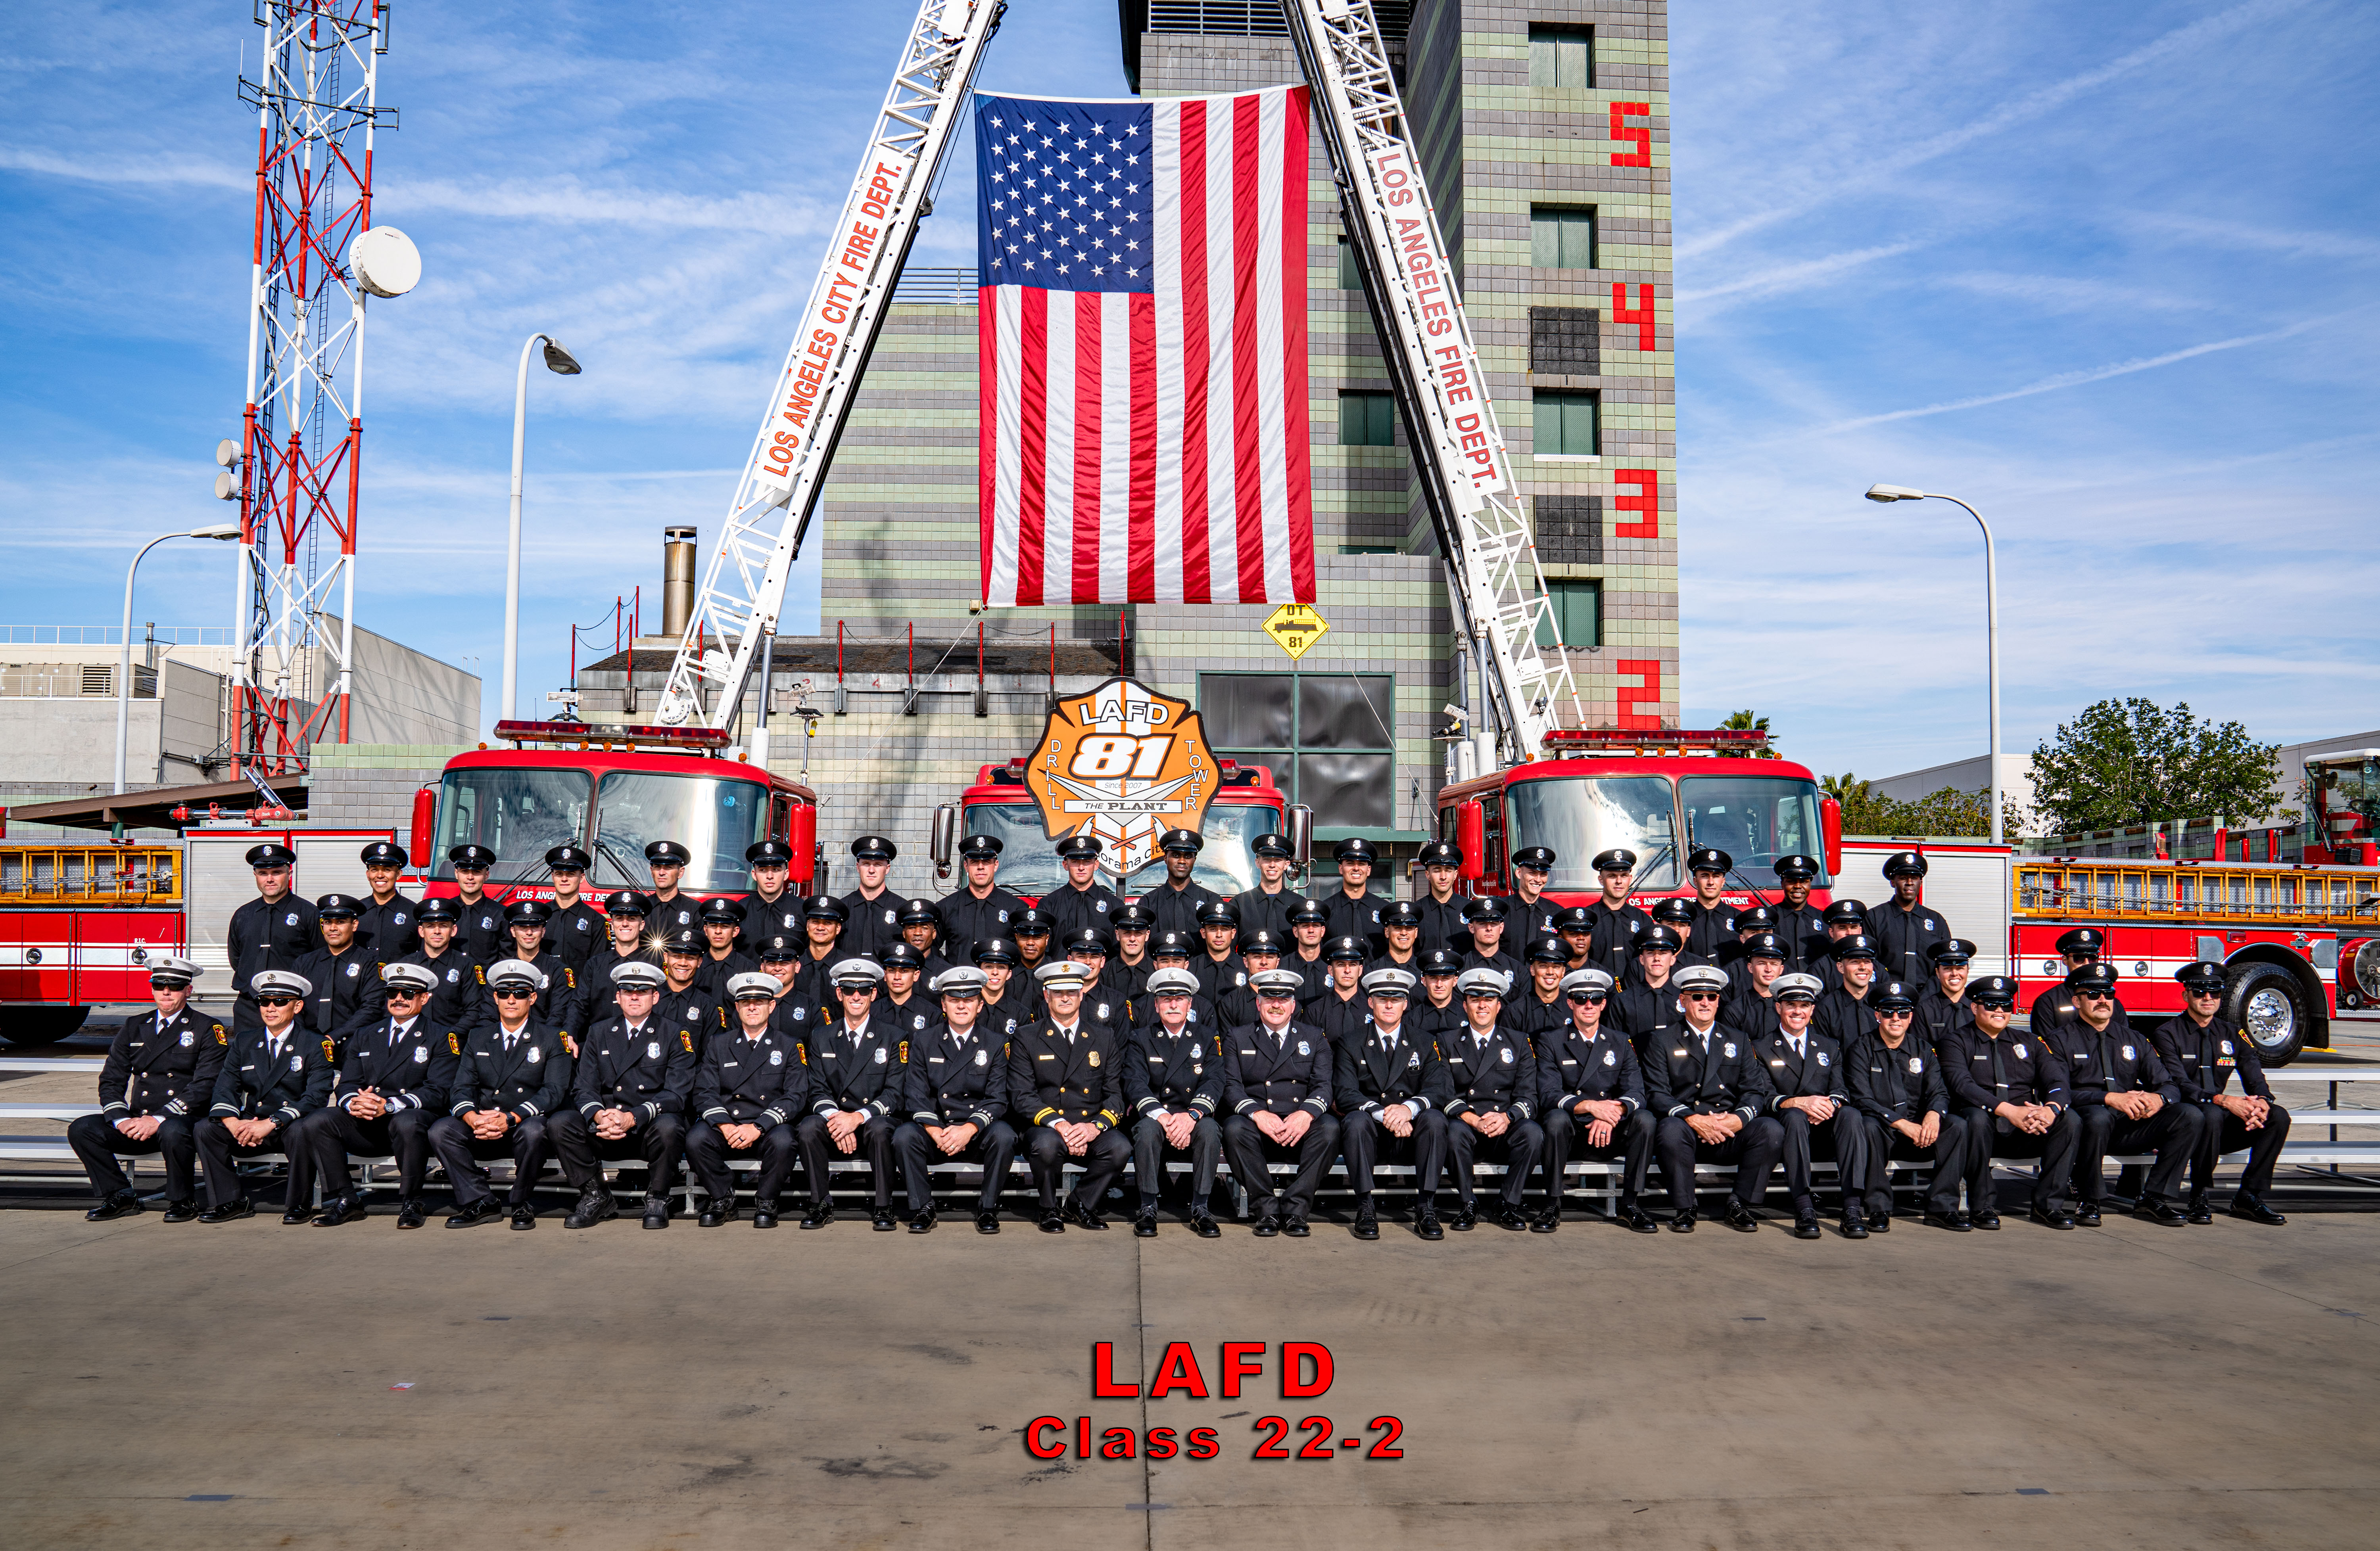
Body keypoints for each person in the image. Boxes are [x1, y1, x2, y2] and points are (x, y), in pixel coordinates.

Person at [293, 961, 460, 1229]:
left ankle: (412, 1201)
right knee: (318, 1120)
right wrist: (353, 1102)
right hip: (367, 1120)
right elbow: (347, 1082)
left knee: (407, 1121)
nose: (399, 999)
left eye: (408, 994)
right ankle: (347, 1199)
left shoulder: (441, 1036)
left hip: (408, 1123)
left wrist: (392, 1104)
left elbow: (440, 1089)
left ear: (425, 997)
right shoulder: (367, 1034)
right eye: (392, 993)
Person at [71, 953, 227, 1222]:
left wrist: (157, 1118)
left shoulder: (207, 1028)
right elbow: (111, 1079)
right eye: (159, 985)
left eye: (175, 986)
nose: (166, 992)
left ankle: (182, 1200)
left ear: (188, 990)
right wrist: (120, 1119)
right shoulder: (134, 1026)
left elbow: (205, 1084)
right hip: (137, 1120)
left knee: (173, 1129)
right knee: (82, 1128)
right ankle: (120, 1194)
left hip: (184, 1118)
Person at [2046, 963, 2200, 1227]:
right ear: (2077, 1000)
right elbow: (2058, 1092)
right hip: (2087, 1128)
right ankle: (2089, 1199)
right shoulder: (2059, 1040)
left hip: (2131, 1124)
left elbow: (2169, 1084)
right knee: (2098, 1116)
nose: (2103, 999)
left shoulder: (2135, 1039)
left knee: (2189, 1115)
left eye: (2108, 993)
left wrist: (2158, 1099)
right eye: (2093, 994)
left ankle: (2153, 1197)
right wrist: (2108, 1098)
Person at [551, 959, 695, 1231]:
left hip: (646, 1130)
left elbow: (677, 1094)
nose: (634, 997)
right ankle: (596, 1195)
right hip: (605, 1128)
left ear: (655, 996)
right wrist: (599, 1114)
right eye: (628, 991)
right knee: (561, 1123)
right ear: (618, 997)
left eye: (642, 992)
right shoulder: (599, 1031)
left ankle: (658, 1198)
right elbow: (584, 1086)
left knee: (671, 1126)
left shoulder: (674, 1033)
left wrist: (633, 1116)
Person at [430, 958, 572, 1230]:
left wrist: (510, 1118)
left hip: (522, 1123)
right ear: (495, 997)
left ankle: (521, 1202)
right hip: (483, 1122)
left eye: (519, 993)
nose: (511, 999)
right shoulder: (478, 1037)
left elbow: (553, 1091)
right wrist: (472, 1118)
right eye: (504, 993)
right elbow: (462, 1087)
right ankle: (481, 1200)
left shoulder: (552, 1037)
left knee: (535, 1131)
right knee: (441, 1131)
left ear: (532, 997)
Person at [2150, 961, 2292, 1225]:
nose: (2208, 998)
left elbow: (2254, 1074)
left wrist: (2262, 1101)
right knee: (2212, 1113)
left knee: (2278, 1117)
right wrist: (2222, 1100)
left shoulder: (2232, 1034)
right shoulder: (2167, 1034)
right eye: (2200, 991)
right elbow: (2179, 1083)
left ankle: (2249, 1196)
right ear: (2185, 995)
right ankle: (2198, 1195)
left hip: (2215, 1126)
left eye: (2214, 992)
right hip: (2182, 1123)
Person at [1937, 974, 2076, 1230]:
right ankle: (1982, 1205)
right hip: (1985, 1127)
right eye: (1991, 1005)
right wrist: (2008, 1111)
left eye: (2006, 1005)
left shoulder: (2030, 1042)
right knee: (1975, 1118)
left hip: (2028, 1127)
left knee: (2070, 1119)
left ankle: (2049, 1205)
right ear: (1974, 1007)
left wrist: (2050, 1109)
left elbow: (2057, 1081)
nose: (1999, 1010)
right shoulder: (1955, 1041)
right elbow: (1962, 1085)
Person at [1644, 978, 1783, 1233]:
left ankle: (1739, 1204)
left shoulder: (1738, 1039)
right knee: (1670, 1130)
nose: (1705, 1003)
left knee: (1770, 1130)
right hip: (1689, 1130)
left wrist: (1739, 1118)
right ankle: (1686, 1207)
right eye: (1697, 997)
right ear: (1683, 1001)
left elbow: (1754, 1090)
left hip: (1728, 1128)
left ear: (1719, 1001)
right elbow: (1657, 1093)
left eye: (1712, 997)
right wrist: (1692, 1119)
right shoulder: (1662, 1039)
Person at [196, 967, 334, 1223]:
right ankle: (230, 1201)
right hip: (251, 1123)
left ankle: (298, 1204)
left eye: (280, 1002)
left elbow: (317, 1095)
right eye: (264, 1001)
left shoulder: (315, 1044)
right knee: (206, 1129)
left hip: (287, 1125)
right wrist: (234, 1123)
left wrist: (271, 1123)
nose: (271, 1008)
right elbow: (226, 1086)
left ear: (298, 1006)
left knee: (302, 1131)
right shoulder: (245, 1041)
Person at [1010, 959, 1132, 1232]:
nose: (1065, 998)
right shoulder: (1027, 1036)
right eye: (1058, 992)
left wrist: (1093, 1127)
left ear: (1082, 994)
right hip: (1048, 1126)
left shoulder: (1104, 1036)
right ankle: (1048, 1207)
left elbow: (1115, 1095)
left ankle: (1081, 1204)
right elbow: (1022, 1095)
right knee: (1046, 1147)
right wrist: (1060, 1125)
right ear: (1046, 995)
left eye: (1072, 991)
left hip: (1089, 1124)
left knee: (1120, 1147)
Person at [1843, 978, 1974, 1232]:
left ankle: (1942, 1207)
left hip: (1920, 1133)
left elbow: (1939, 1090)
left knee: (1957, 1126)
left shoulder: (1923, 1049)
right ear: (1877, 1015)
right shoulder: (1860, 1049)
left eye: (1902, 1013)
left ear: (1911, 1017)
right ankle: (1879, 1209)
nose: (1895, 1018)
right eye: (1888, 1012)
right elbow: (1861, 1099)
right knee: (1868, 1125)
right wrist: (1903, 1124)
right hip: (1885, 1128)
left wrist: (1934, 1116)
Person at [1534, 966, 1658, 1234]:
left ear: (1604, 1004)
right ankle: (1552, 1202)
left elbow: (1637, 1091)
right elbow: (1548, 1093)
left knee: (1645, 1119)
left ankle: (1630, 1203)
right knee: (1554, 1119)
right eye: (1581, 999)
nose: (1588, 1005)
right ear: (1570, 1003)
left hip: (1610, 1132)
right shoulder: (1551, 1041)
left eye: (1595, 999)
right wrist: (1591, 1107)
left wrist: (1614, 1112)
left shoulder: (1620, 1041)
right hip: (1574, 1134)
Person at [894, 964, 1017, 1234]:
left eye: (969, 999)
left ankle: (988, 1207)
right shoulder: (924, 1040)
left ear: (980, 1004)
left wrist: (969, 1129)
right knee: (904, 1136)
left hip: (975, 1131)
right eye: (954, 1000)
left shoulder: (995, 1043)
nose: (962, 1006)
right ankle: (923, 1207)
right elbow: (914, 1093)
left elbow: (997, 1098)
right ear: (943, 1003)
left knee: (1005, 1135)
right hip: (937, 1129)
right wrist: (935, 1130)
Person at [684, 971, 811, 1229]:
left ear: (772, 1005)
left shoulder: (789, 1045)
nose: (752, 1007)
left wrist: (758, 1126)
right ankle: (723, 1199)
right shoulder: (719, 1044)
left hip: (768, 1125)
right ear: (737, 1007)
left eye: (760, 1001)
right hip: (728, 1124)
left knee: (785, 1141)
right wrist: (725, 1125)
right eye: (745, 1002)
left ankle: (766, 1201)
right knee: (696, 1139)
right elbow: (705, 1091)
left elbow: (796, 1094)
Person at [1331, 966, 1450, 1240]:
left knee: (1435, 1119)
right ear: (1370, 1002)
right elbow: (1345, 1092)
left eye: (1395, 999)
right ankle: (1365, 1206)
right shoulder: (1351, 1042)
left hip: (1410, 1137)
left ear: (1406, 1003)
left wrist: (1408, 1109)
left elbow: (1437, 1089)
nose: (1388, 1004)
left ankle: (1426, 1205)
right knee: (1355, 1120)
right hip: (1372, 1134)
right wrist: (1386, 1114)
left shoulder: (1424, 1041)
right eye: (1382, 998)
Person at [1221, 967, 1341, 1238]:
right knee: (1234, 1129)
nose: (1277, 1004)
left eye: (1284, 998)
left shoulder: (1313, 1037)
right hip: (1258, 1126)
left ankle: (1296, 1208)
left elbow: (1323, 1085)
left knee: (1331, 1129)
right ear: (1258, 1002)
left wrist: (1307, 1114)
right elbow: (1231, 1086)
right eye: (1270, 998)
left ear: (1293, 1004)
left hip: (1299, 1124)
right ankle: (1266, 1209)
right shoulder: (1238, 1037)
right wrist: (1257, 1113)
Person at [1754, 970, 1869, 1240]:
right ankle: (1804, 1207)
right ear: (1778, 1007)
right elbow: (1761, 1094)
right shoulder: (1761, 1046)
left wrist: (1829, 1105)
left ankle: (1852, 1207)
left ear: (1812, 1009)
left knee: (1851, 1114)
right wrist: (1798, 1103)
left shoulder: (1829, 1046)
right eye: (1791, 1004)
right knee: (1794, 1116)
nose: (1797, 1011)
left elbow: (1841, 1089)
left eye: (1804, 1005)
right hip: (1788, 1127)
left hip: (1824, 1125)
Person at [796, 957, 907, 1230]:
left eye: (863, 990)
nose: (855, 996)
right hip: (836, 1118)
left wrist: (857, 1117)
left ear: (874, 993)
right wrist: (838, 1120)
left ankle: (884, 1206)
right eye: (848, 990)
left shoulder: (894, 1036)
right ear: (839, 993)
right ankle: (821, 1202)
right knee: (809, 1127)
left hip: (872, 1119)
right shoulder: (821, 1036)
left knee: (882, 1128)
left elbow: (895, 1092)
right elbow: (817, 1088)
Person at [1121, 965, 1226, 1238]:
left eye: (1179, 999)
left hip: (1192, 1116)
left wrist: (1191, 1116)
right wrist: (1164, 1117)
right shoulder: (1141, 1038)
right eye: (1166, 999)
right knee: (1145, 1130)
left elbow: (1215, 1081)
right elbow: (1134, 1082)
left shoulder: (1206, 1037)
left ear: (1190, 1003)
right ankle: (1147, 1205)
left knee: (1211, 1131)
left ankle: (1201, 1206)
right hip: (1158, 1117)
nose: (1173, 1005)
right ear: (1156, 1005)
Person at [1435, 967, 1542, 1234]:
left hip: (1504, 1124)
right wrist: (1471, 1117)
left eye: (1489, 999)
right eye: (1475, 998)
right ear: (1465, 1004)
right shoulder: (1447, 1041)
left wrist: (1507, 1117)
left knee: (1533, 1133)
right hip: (1468, 1122)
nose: (1482, 1005)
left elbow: (1529, 1095)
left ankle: (1507, 1203)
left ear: (1499, 1005)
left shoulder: (1518, 1042)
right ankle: (1468, 1203)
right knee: (1453, 1132)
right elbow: (1443, 1091)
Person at [355, 895, 487, 1042]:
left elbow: (474, 1011)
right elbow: (391, 1007)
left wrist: (447, 1037)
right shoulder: (405, 966)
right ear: (421, 931)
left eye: (443, 926)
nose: (437, 931)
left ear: (453, 930)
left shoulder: (467, 966)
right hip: (407, 1041)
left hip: (450, 1042)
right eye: (430, 926)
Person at [228, 842, 317, 1033]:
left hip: (292, 1007)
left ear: (289, 875)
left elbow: (319, 959)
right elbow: (237, 959)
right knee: (248, 1060)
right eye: (263, 873)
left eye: (277, 873)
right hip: (250, 1007)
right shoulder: (243, 915)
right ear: (256, 876)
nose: (270, 879)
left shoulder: (309, 914)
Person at [480, 899, 584, 1035]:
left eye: (535, 927)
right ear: (513, 931)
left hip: (543, 1043)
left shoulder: (558, 971)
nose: (529, 933)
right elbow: (488, 1017)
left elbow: (558, 1017)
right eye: (523, 927)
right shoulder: (499, 971)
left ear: (543, 931)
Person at [297, 893, 374, 1059]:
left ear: (354, 925)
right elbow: (293, 1005)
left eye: (340, 922)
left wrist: (335, 1037)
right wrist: (304, 1037)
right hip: (308, 1044)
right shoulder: (304, 962)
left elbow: (371, 1008)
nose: (333, 928)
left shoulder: (370, 963)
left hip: (351, 1044)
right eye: (328, 922)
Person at [1865, 851, 1950, 986]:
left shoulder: (1936, 920)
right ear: (1893, 883)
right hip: (1887, 995)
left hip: (1928, 997)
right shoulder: (1875, 917)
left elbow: (1945, 962)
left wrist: (1929, 996)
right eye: (1903, 878)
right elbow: (1868, 961)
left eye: (1915, 878)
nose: (1910, 883)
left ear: (1921, 883)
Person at [580, 891, 662, 1031]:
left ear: (642, 925)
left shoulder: (655, 964)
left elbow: (662, 1007)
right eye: (619, 918)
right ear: (612, 924)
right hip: (599, 1041)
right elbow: (579, 1005)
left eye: (631, 919)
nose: (625, 924)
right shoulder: (595, 965)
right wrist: (570, 1034)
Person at [937, 833, 1025, 953]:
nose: (980, 867)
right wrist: (946, 969)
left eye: (987, 861)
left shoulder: (1016, 908)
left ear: (996, 866)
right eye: (974, 862)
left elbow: (1024, 954)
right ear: (966, 866)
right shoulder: (946, 908)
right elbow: (929, 950)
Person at [1612, 925, 1688, 1053]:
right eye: (1651, 953)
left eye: (1663, 953)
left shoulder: (1686, 998)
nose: (1657, 958)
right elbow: (1616, 1045)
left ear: (1673, 960)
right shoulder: (1623, 1001)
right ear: (1641, 959)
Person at [2029, 929, 2119, 1032]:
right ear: (2065, 960)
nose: (2086, 963)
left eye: (2092, 958)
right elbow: (2046, 1045)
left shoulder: (2111, 1003)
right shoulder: (2048, 1002)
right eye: (2079, 958)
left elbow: (2123, 1040)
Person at [1580, 849, 1651, 978]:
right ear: (1601, 880)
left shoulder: (1643, 920)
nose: (1619, 881)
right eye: (1612, 876)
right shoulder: (1587, 919)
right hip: (1598, 992)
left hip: (1634, 993)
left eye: (1624, 876)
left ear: (1630, 879)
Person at [1041, 834, 1122, 942]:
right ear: (1065, 865)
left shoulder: (1115, 906)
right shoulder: (1049, 905)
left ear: (1096, 865)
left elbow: (1117, 952)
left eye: (1087, 862)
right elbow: (1042, 951)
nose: (1081, 868)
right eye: (1075, 862)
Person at [1144, 828, 1221, 939]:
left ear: (1194, 860)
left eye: (1188, 856)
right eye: (1176, 855)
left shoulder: (1212, 901)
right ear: (1166, 858)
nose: (1182, 861)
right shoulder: (1148, 903)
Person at [736, 838, 807, 955]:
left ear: (786, 874)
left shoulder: (801, 910)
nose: (770, 876)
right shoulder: (741, 911)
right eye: (763, 870)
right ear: (754, 875)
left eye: (776, 870)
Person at [545, 843, 606, 972]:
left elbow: (597, 970)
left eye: (571, 874)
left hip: (578, 991)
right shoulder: (540, 917)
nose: (564, 879)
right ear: (553, 877)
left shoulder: (596, 922)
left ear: (582, 878)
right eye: (559, 874)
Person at [1814, 934, 1882, 1050]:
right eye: (1855, 962)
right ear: (1841, 968)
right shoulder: (1826, 1009)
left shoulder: (1882, 1004)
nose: (1863, 967)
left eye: (1867, 962)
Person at [1229, 832, 1299, 943]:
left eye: (1278, 860)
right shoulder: (1239, 904)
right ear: (1258, 863)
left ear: (1286, 865)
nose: (1272, 865)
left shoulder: (1299, 905)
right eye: (1267, 859)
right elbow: (1230, 951)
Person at [357, 840, 419, 961]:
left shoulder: (414, 913)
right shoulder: (357, 912)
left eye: (387, 870)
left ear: (399, 874)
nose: (380, 875)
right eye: (374, 870)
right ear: (368, 874)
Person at [1501, 936, 1573, 1042]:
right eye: (1543, 966)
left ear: (1563, 972)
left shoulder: (1574, 1009)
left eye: (1556, 967)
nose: (1550, 972)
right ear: (1532, 970)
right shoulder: (1515, 1013)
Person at [1914, 938, 1977, 1054]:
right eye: (1947, 969)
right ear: (1938, 973)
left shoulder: (1980, 1007)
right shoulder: (1924, 1010)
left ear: (1968, 970)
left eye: (1960, 968)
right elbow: (1920, 1052)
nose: (1954, 974)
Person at [1216, 929, 1288, 1029]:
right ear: (1246, 962)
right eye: (1257, 957)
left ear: (1277, 962)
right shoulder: (1230, 1003)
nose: (1264, 962)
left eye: (1270, 957)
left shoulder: (1288, 1001)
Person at [1307, 936, 1374, 1044]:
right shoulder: (1315, 1012)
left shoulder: (1373, 1009)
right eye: (1341, 965)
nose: (1347, 970)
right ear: (1330, 970)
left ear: (1361, 970)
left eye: (1352, 965)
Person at [1322, 838, 1389, 943]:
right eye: (1350, 863)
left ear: (1369, 870)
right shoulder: (1326, 911)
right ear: (1341, 869)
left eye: (1362, 864)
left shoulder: (1384, 910)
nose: (1356, 868)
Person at [1720, 933, 1788, 1035]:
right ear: (1750, 968)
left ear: (1781, 969)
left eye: (1774, 964)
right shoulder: (1735, 1011)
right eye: (1762, 963)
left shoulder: (1790, 1008)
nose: (1768, 970)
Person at [447, 844, 507, 961]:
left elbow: (506, 958)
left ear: (487, 875)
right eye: (465, 871)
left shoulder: (501, 915)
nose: (470, 877)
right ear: (456, 874)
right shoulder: (446, 912)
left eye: (477, 872)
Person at [1770, 853, 1828, 966]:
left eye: (1804, 881)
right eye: (1791, 881)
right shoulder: (1771, 919)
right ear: (1782, 884)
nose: (1798, 886)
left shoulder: (1824, 920)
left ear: (1810, 884)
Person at [693, 898, 757, 1000]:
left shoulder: (748, 970)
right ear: (706, 930)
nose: (718, 931)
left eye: (725, 926)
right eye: (713, 926)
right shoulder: (694, 966)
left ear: (735, 932)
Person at [1683, 847, 1740, 960]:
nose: (1711, 882)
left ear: (1723, 882)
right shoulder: (1684, 920)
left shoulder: (1739, 919)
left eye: (1716, 876)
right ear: (1695, 881)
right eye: (1705, 876)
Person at [878, 942, 941, 1042]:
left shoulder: (933, 1015)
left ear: (916, 975)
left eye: (904, 971)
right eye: (892, 971)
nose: (897, 977)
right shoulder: (872, 1012)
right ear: (885, 975)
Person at [795, 894, 850, 1006]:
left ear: (838, 928)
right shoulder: (794, 965)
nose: (820, 928)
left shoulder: (847, 967)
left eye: (828, 923)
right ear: (807, 925)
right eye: (815, 922)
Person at [1457, 896, 1524, 987]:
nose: (1489, 929)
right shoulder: (1460, 970)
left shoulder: (1518, 970)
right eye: (1482, 924)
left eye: (1494, 924)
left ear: (1501, 928)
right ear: (1471, 928)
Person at [976, 938, 1035, 1041]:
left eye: (1001, 967)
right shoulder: (968, 1009)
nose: (995, 972)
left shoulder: (1021, 1014)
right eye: (989, 966)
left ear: (1009, 974)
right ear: (979, 972)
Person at [1413, 840, 1467, 954]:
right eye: (1437, 871)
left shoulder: (1469, 910)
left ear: (1456, 875)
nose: (1443, 877)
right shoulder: (1416, 913)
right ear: (1427, 875)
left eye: (1448, 871)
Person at [1190, 901, 1245, 1004]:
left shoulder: (1246, 968)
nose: (1219, 935)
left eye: (1225, 929)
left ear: (1233, 934)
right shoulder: (1192, 969)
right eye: (1213, 929)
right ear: (1203, 933)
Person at [644, 840, 701, 939]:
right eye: (657, 867)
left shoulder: (695, 910)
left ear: (681, 873)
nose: (662, 873)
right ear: (652, 871)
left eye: (668, 867)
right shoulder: (642, 908)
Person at [1507, 845, 1560, 942]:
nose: (1538, 880)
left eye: (1543, 874)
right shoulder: (1503, 911)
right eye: (1532, 873)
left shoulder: (1557, 913)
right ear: (1519, 873)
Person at [897, 899, 955, 982]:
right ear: (904, 933)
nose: (918, 933)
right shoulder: (893, 972)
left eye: (924, 928)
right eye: (912, 928)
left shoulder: (946, 974)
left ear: (934, 934)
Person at [1412, 951, 1464, 1040]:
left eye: (1445, 978)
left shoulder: (1467, 1016)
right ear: (1424, 981)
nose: (1439, 985)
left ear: (1455, 981)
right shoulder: (1411, 1020)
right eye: (1433, 978)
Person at [1110, 903, 1156, 1001]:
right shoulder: (1104, 973)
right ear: (1118, 935)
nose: (1132, 939)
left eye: (1138, 933)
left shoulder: (1157, 972)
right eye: (1127, 933)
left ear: (1147, 935)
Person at [1368, 900, 1424, 972]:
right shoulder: (1373, 971)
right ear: (1387, 932)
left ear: (1416, 932)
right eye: (1398, 928)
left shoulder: (1424, 972)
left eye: (1409, 928)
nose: (1404, 933)